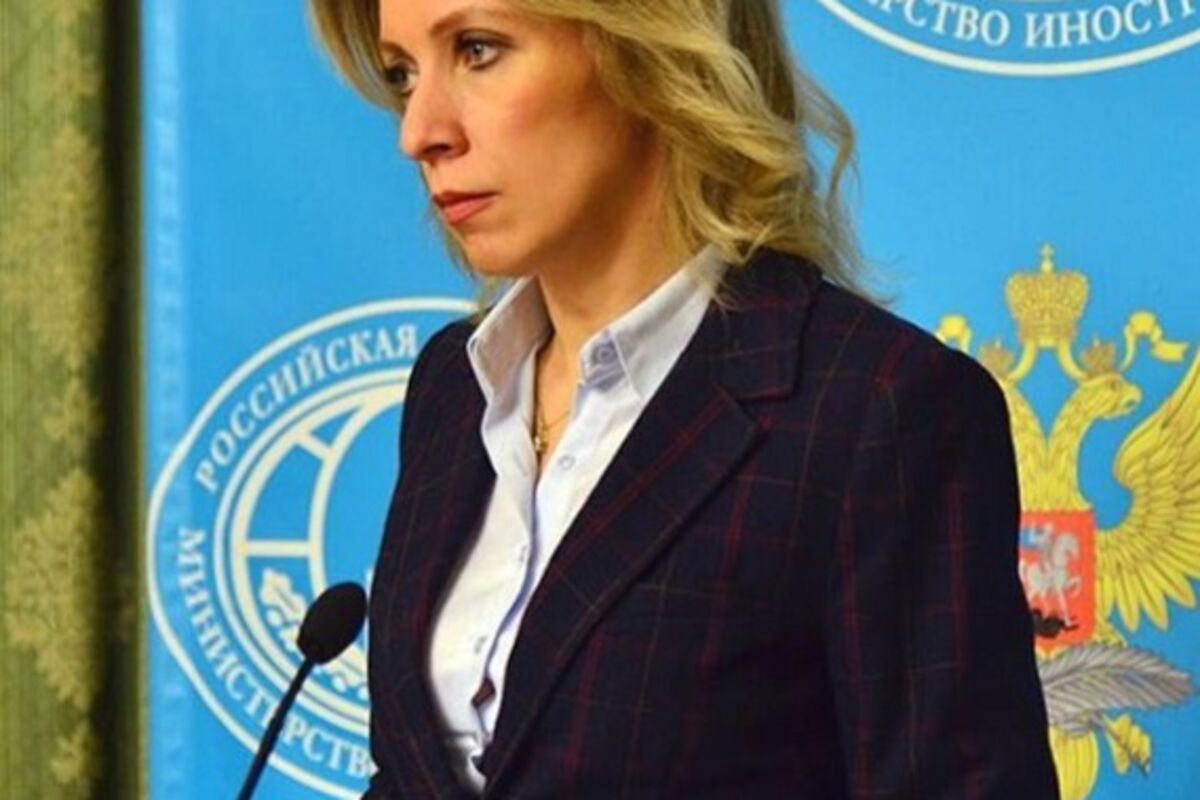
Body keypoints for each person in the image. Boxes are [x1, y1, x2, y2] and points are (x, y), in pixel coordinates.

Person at [309, 0, 1060, 797]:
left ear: (651, 51)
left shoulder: (875, 408)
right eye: (403, 74)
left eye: (479, 49)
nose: (419, 131)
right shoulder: (451, 389)